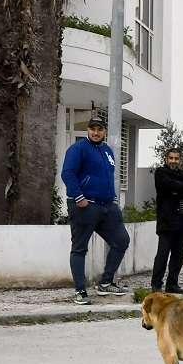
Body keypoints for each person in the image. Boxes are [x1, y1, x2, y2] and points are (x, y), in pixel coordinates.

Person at [61, 115, 130, 305]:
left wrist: (112, 198)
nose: (96, 132)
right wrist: (79, 197)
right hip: (85, 205)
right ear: (88, 130)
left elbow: (108, 177)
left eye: (99, 129)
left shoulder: (107, 150)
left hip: (107, 206)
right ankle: (80, 291)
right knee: (80, 248)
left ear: (104, 131)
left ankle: (105, 283)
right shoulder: (78, 149)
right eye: (92, 129)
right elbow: (68, 173)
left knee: (121, 240)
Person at [151, 147, 183, 293]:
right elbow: (165, 185)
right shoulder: (160, 172)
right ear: (166, 159)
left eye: (176, 158)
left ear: (180, 160)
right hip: (167, 222)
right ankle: (156, 285)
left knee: (178, 256)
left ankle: (172, 284)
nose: (173, 161)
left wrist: (177, 189)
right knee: (162, 255)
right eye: (171, 158)